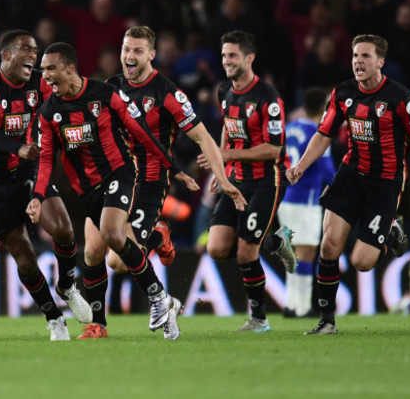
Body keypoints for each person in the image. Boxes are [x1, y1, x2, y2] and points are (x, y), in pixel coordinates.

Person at [81, 26, 246, 338]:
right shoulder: (111, 87)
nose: (129, 56)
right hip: (113, 179)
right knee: (92, 252)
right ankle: (97, 325)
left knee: (117, 261)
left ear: (151, 55)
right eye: (126, 49)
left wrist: (222, 178)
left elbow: (203, 138)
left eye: (138, 51)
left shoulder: (168, 93)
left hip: (149, 183)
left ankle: (157, 236)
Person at [27, 42, 190, 340]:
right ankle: (98, 325)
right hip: (86, 189)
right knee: (92, 253)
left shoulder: (104, 94)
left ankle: (158, 298)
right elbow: (47, 158)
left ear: (70, 68)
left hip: (119, 173)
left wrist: (171, 165)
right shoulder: (50, 110)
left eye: (51, 69)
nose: (45, 76)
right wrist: (38, 197)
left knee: (112, 234)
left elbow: (140, 129)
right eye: (43, 70)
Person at [287, 34, 410, 335]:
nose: (358, 61)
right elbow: (324, 134)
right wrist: (301, 167)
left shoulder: (402, 99)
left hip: (385, 184)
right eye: (355, 55)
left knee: (361, 261)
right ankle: (327, 322)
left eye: (366, 56)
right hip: (350, 175)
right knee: (330, 245)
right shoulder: (343, 93)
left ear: (381, 62)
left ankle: (388, 229)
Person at [0, 30, 91, 341]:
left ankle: (67, 285)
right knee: (23, 251)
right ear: (6, 55)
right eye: (26, 49)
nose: (33, 56)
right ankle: (53, 317)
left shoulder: (40, 83)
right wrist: (16, 146)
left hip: (28, 172)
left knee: (63, 229)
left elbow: (66, 99)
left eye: (35, 50)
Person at [198, 30, 297, 333]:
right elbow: (228, 130)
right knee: (215, 248)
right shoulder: (224, 92)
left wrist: (225, 155)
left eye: (233, 55)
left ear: (249, 58)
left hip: (269, 179)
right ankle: (273, 241)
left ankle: (259, 319)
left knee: (245, 252)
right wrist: (221, 170)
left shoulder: (268, 97)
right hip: (237, 179)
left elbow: (274, 149)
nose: (226, 61)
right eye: (224, 55)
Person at [276, 87, 336, 318]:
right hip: (305, 200)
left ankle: (292, 304)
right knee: (307, 253)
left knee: (292, 252)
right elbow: (327, 170)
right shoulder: (319, 134)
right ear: (324, 108)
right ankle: (301, 307)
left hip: (284, 198)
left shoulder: (290, 128)